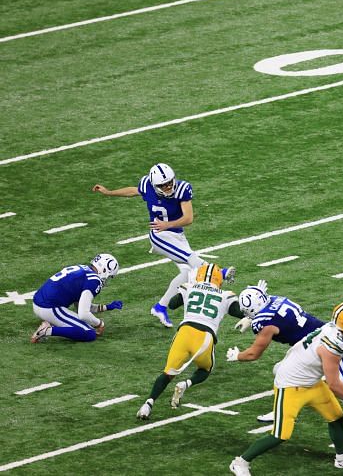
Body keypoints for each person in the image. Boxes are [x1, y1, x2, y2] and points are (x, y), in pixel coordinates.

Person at [229, 302, 343, 475]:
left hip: (311, 381)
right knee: (280, 434)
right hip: (291, 384)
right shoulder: (332, 344)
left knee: (336, 416)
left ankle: (342, 457)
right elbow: (333, 383)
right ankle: (240, 462)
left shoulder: (337, 330)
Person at [92, 163, 235, 328]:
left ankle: (160, 307)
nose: (168, 187)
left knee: (188, 272)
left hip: (176, 234)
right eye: (163, 185)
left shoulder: (182, 189)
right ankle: (220, 272)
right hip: (159, 235)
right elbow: (133, 191)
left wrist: (169, 224)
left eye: (169, 182)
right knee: (191, 259)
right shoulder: (147, 184)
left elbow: (188, 218)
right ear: (154, 185)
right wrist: (109, 192)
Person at [136, 263, 241, 420]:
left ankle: (148, 404)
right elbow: (239, 312)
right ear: (219, 279)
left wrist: (189, 288)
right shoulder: (226, 294)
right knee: (205, 369)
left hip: (184, 333)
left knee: (168, 373)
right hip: (205, 337)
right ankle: (186, 384)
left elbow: (172, 305)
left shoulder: (189, 287)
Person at [30, 253, 122, 343]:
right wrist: (100, 324)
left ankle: (50, 323)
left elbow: (81, 306)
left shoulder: (83, 268)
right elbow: (83, 314)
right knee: (89, 333)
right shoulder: (94, 280)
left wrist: (107, 307)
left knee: (85, 325)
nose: (107, 279)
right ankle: (46, 330)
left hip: (39, 301)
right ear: (105, 269)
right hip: (48, 307)